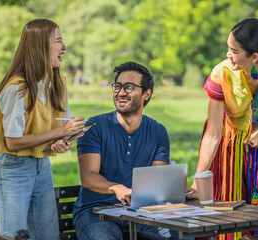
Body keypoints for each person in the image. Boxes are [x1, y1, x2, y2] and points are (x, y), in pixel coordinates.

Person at [189, 18, 258, 240]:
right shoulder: (222, 73)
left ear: (255, 57)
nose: (227, 55)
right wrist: (198, 180)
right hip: (226, 150)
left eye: (233, 50)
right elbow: (212, 133)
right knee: (225, 223)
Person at [0, 19, 86, 239]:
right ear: (41, 46)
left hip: (42, 165)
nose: (64, 47)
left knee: (47, 235)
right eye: (59, 41)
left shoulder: (57, 83)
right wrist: (59, 133)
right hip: (13, 169)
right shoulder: (16, 89)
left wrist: (61, 142)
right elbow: (12, 141)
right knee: (13, 236)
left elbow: (58, 131)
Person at [72, 61, 178, 240]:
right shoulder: (95, 127)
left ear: (146, 93)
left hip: (139, 213)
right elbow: (88, 177)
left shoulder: (158, 131)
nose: (120, 93)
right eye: (117, 86)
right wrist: (116, 188)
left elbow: (158, 178)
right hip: (96, 213)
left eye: (129, 87)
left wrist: (178, 189)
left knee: (180, 236)